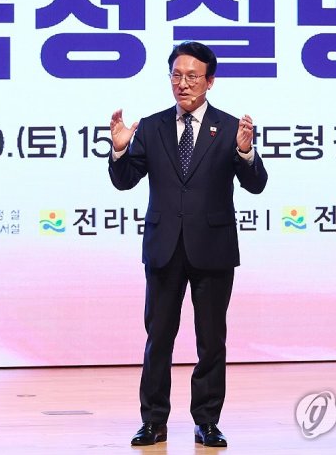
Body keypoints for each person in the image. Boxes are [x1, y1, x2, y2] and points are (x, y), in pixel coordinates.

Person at [108, 41, 268, 447]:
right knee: (158, 338)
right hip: (164, 247)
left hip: (213, 248)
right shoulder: (152, 127)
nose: (183, 83)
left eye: (192, 76)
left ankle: (207, 421)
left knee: (211, 341)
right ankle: (153, 421)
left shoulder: (231, 128)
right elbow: (125, 181)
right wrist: (120, 149)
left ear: (209, 81)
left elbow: (256, 185)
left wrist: (246, 152)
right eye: (176, 75)